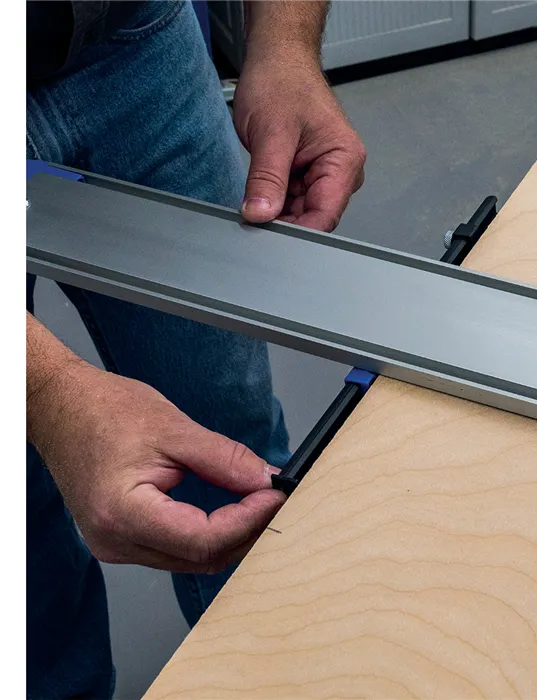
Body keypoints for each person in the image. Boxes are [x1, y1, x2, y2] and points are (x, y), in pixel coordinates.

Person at [26, 0, 367, 697]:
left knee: (227, 430)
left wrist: (285, 41)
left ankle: (266, 674)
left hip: (136, 35)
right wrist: (45, 391)